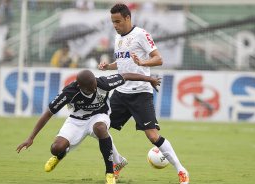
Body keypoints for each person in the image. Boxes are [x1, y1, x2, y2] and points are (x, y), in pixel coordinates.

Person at [16, 69, 161, 184]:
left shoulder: (102, 83)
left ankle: (109, 173)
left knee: (100, 128)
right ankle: (61, 155)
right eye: (90, 87)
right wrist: (31, 138)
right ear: (80, 86)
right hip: (76, 121)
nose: (94, 88)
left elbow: (126, 75)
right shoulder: (69, 92)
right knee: (56, 148)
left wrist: (150, 79)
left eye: (94, 85)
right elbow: (48, 114)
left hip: (99, 116)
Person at [98, 3, 189, 184]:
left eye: (118, 21)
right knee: (99, 128)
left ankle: (181, 170)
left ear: (127, 18)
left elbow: (159, 59)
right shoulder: (118, 38)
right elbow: (123, 61)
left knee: (153, 136)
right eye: (112, 22)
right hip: (121, 92)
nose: (115, 25)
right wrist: (109, 66)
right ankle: (118, 162)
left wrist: (143, 63)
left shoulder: (141, 34)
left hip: (141, 92)